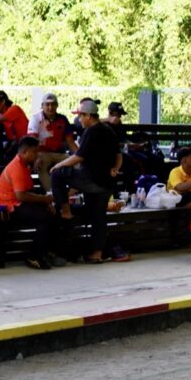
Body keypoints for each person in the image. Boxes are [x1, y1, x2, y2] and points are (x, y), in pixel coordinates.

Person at [50, 98, 122, 264]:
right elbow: (119, 155)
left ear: (89, 116)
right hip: (107, 184)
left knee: (57, 174)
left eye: (81, 116)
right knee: (98, 216)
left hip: (92, 180)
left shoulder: (92, 131)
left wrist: (58, 165)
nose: (79, 119)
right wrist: (116, 168)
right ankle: (96, 254)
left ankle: (65, 211)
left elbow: (78, 157)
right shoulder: (109, 130)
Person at [0, 137, 58, 270]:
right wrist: (44, 200)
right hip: (10, 206)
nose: (37, 155)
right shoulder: (17, 167)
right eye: (34, 152)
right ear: (25, 152)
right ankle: (34, 257)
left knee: (51, 214)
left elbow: (29, 191)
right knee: (44, 218)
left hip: (19, 202)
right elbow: (21, 196)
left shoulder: (24, 165)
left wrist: (46, 204)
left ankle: (46, 251)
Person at [27, 93, 78, 192]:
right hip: (42, 153)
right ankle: (52, 194)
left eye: (53, 104)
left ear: (57, 105)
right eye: (47, 104)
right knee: (40, 164)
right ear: (42, 106)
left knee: (79, 163)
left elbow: (70, 141)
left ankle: (72, 193)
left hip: (59, 153)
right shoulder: (36, 119)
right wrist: (35, 157)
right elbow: (32, 141)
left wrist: (80, 155)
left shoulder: (63, 119)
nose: (50, 107)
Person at [0, 91, 29, 164]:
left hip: (26, 145)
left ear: (3, 102)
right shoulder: (2, 117)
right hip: (16, 146)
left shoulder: (14, 109)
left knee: (4, 157)